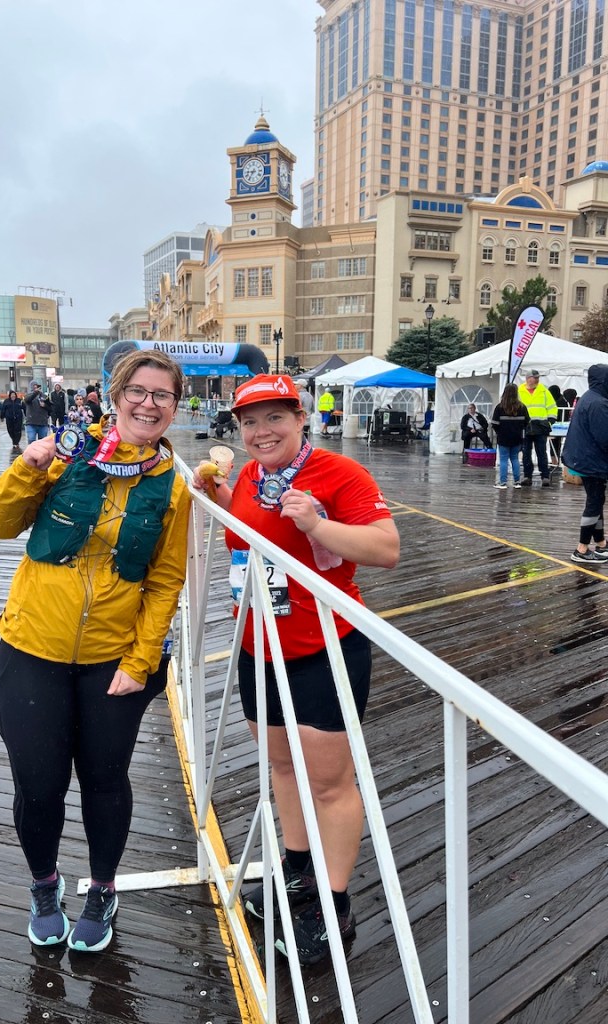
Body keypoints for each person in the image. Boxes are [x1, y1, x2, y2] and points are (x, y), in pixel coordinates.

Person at [0, 349, 191, 953]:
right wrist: (28, 465)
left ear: (174, 407)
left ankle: (101, 889)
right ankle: (45, 886)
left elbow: (165, 580)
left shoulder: (170, 486)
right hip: (31, 648)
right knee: (39, 783)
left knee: (105, 781)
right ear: (116, 393)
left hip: (112, 658)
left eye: (163, 396)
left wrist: (140, 660)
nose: (148, 404)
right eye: (139, 391)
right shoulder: (68, 454)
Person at [192, 374, 399, 966]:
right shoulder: (254, 475)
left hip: (323, 649)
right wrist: (223, 497)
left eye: (275, 418)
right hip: (258, 646)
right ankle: (298, 868)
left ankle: (333, 905)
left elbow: (386, 549)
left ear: (301, 418)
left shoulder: (339, 474)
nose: (261, 432)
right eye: (250, 422)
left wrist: (317, 524)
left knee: (331, 783)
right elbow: (252, 536)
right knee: (281, 764)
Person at [561, 365, 608, 564]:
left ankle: (601, 543)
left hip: (585, 457)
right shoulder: (599, 403)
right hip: (592, 460)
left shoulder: (589, 397)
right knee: (595, 501)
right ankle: (581, 548)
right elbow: (605, 437)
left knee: (597, 500)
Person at [518, 369, 557, 487]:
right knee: (526, 453)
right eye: (534, 378)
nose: (536, 380)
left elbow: (552, 407)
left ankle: (545, 476)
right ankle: (527, 476)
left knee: (541, 453)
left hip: (540, 426)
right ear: (528, 378)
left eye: (537, 378)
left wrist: (550, 422)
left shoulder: (544, 390)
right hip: (526, 426)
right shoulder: (519, 391)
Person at [491, 384, 529, 489]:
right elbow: (527, 422)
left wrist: (499, 432)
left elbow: (494, 424)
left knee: (503, 460)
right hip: (517, 437)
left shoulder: (499, 407)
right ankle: (517, 482)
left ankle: (503, 483)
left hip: (503, 437)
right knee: (515, 459)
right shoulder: (522, 407)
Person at [548, 384, 570, 464]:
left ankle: (555, 462)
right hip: (559, 426)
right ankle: (555, 461)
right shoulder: (562, 400)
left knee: (554, 444)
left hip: (557, 427)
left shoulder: (559, 402)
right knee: (556, 444)